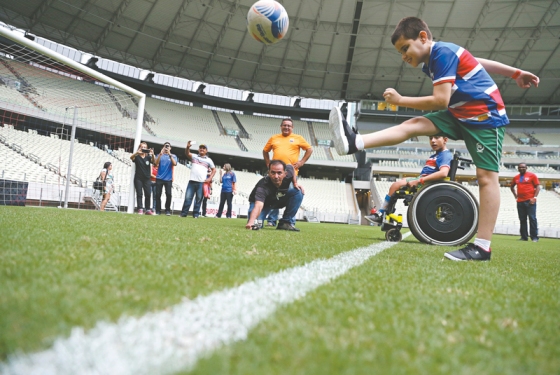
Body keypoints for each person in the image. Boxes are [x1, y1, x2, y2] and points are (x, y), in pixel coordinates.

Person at [330, 16, 539, 262]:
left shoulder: (442, 53)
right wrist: (515, 72)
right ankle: (356, 142)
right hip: (461, 113)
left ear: (422, 37)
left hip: (485, 115)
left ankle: (482, 247)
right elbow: (476, 61)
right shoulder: (436, 59)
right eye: (400, 52)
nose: (403, 56)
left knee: (486, 178)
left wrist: (400, 100)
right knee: (414, 125)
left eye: (405, 48)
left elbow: (441, 100)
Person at [365, 136, 452, 223]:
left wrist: (418, 180)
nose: (433, 141)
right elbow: (428, 173)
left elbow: (443, 173)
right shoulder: (435, 155)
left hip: (427, 184)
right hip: (424, 181)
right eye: (430, 138)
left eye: (436, 138)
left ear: (445, 140)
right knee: (399, 183)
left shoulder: (444, 155)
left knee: (395, 185)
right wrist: (415, 178)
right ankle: (386, 214)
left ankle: (381, 214)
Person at [262, 118, 313, 226]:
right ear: (281, 126)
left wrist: (301, 162)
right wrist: (268, 163)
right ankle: (271, 220)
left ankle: (289, 221)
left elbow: (309, 149)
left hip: (291, 174)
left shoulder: (298, 138)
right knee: (273, 194)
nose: (286, 127)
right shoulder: (274, 138)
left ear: (292, 128)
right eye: (284, 125)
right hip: (275, 173)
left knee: (294, 194)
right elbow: (265, 151)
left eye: (289, 126)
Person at [245, 160, 304, 231]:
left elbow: (291, 167)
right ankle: (254, 221)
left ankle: (285, 222)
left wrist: (295, 183)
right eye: (273, 173)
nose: (276, 176)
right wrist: (251, 222)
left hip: (276, 200)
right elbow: (258, 205)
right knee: (257, 225)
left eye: (279, 173)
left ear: (285, 173)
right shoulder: (263, 186)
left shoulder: (289, 172)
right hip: (263, 204)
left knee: (298, 191)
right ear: (268, 173)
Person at [180, 142, 216, 218]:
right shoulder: (194, 156)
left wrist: (209, 178)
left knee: (199, 199)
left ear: (206, 151)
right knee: (187, 198)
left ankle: (196, 214)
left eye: (204, 148)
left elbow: (214, 170)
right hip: (192, 181)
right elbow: (187, 153)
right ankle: (183, 214)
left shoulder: (209, 160)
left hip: (201, 182)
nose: (202, 149)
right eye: (200, 148)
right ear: (198, 149)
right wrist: (187, 147)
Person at [510, 163, 540, 242]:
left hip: (530, 201)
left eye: (523, 167)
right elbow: (511, 187)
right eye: (520, 167)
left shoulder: (532, 175)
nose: (521, 168)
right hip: (520, 201)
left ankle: (534, 237)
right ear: (518, 168)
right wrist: (515, 195)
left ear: (526, 168)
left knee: (532, 218)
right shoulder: (516, 177)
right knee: (522, 219)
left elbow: (537, 186)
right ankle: (524, 237)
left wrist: (534, 197)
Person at [130, 142, 155, 215]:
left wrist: (152, 154)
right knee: (139, 194)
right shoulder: (137, 157)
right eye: (142, 147)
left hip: (147, 178)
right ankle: (140, 208)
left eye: (145, 147)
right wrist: (137, 152)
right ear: (139, 148)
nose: (143, 148)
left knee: (148, 194)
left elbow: (154, 162)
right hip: (138, 178)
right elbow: (131, 157)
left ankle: (147, 209)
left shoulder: (148, 157)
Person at [154, 142, 177, 216]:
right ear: (163, 147)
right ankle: (158, 210)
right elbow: (155, 163)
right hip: (159, 178)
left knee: (169, 194)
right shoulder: (159, 155)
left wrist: (169, 154)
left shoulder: (173, 156)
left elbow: (174, 164)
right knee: (158, 195)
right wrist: (161, 154)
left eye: (168, 146)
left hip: (168, 179)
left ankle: (167, 210)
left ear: (170, 148)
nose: (167, 148)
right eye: (165, 146)